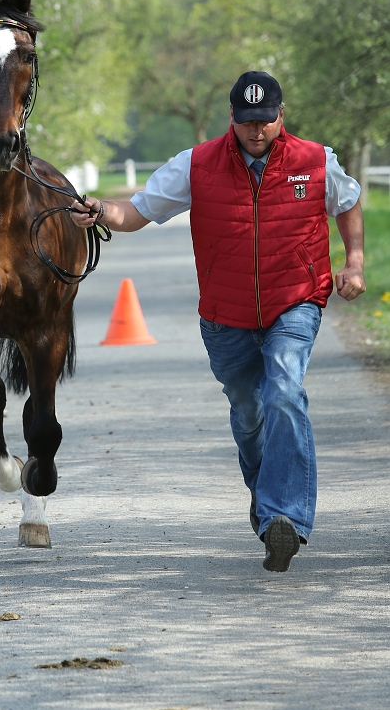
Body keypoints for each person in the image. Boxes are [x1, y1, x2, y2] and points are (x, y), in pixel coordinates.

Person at [70, 70, 366, 573]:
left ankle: (286, 520)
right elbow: (138, 211)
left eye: (266, 121)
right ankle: (267, 501)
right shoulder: (196, 165)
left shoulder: (315, 161)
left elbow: (350, 199)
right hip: (225, 317)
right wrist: (100, 211)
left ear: (281, 116)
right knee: (249, 416)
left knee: (285, 391)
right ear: (231, 117)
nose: (257, 132)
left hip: (295, 300)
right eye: (248, 122)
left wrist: (354, 260)